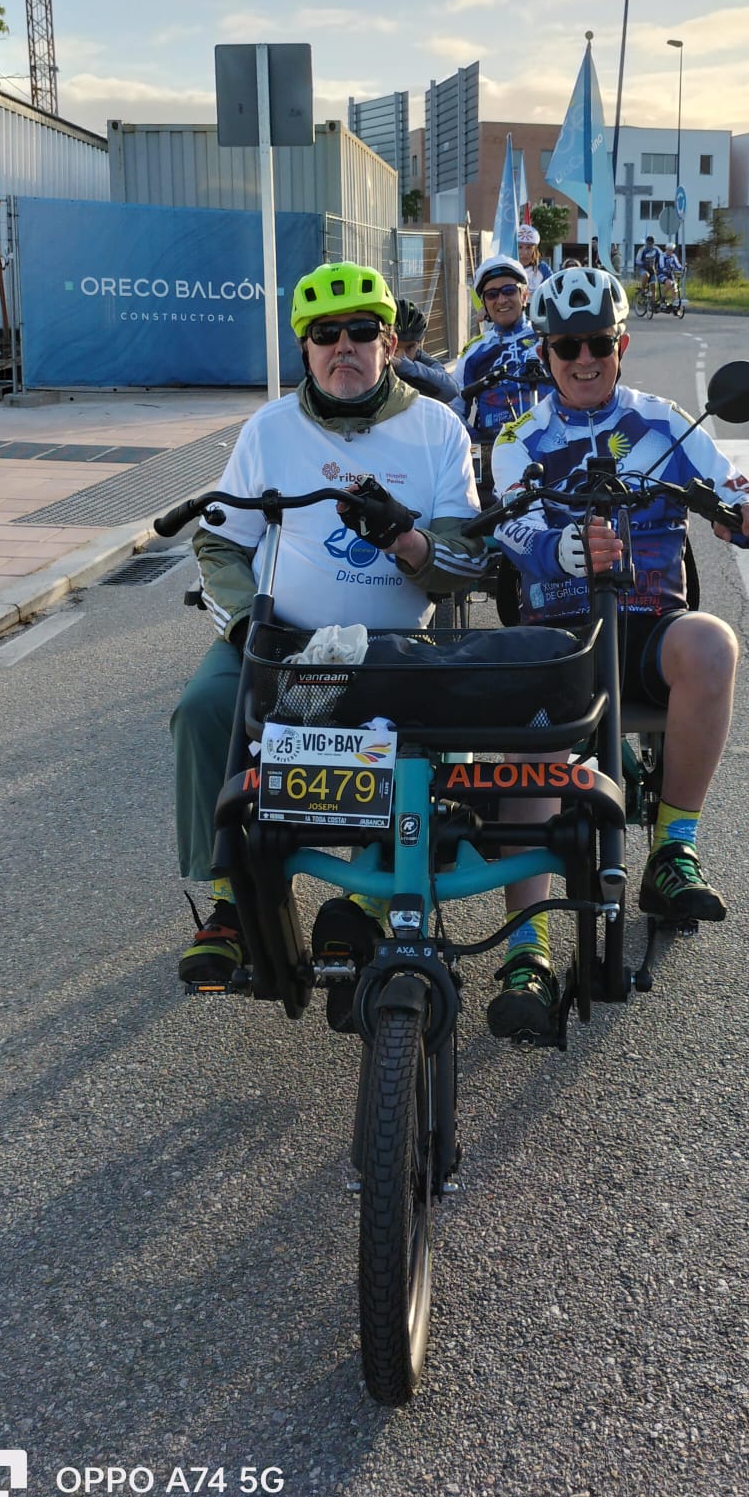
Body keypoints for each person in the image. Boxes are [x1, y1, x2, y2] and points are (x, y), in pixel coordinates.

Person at [485, 266, 749, 1041]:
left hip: (651, 625)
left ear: (623, 343)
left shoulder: (667, 425)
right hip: (560, 633)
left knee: (713, 643)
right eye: (566, 347)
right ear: (545, 354)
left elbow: (731, 482)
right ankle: (528, 948)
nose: (584, 360)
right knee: (527, 725)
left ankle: (673, 852)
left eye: (599, 345)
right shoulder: (519, 441)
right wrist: (566, 549)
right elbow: (509, 531)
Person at [173, 261, 484, 996]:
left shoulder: (437, 428)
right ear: (305, 349)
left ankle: (372, 897)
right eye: (323, 335)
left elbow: (465, 560)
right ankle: (226, 902)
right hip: (287, 645)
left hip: (397, 649)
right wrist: (248, 623)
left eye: (359, 332)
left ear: (389, 345)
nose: (342, 347)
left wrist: (404, 541)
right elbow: (220, 541)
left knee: (438, 756)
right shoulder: (270, 429)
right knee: (204, 709)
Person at [450, 257, 549, 491]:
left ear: (524, 295)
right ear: (484, 303)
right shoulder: (474, 350)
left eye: (509, 291)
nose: (501, 300)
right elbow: (454, 407)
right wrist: (474, 442)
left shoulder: (547, 337)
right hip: (493, 451)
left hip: (548, 445)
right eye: (492, 294)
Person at [392, 296, 457, 404]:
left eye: (409, 348)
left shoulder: (422, 358)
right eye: (395, 347)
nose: (401, 355)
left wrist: (407, 367)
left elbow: (451, 390)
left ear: (419, 344)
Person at [516, 223, 551, 294]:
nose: (524, 252)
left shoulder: (543, 269)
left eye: (529, 248)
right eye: (520, 247)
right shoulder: (509, 268)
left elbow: (551, 290)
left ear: (534, 250)